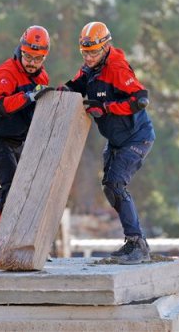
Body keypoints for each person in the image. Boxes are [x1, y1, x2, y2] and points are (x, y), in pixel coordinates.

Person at [61, 21, 155, 264]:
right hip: (116, 140)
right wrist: (54, 92)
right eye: (85, 52)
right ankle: (133, 241)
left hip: (137, 137)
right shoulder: (89, 69)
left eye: (94, 52)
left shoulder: (117, 68)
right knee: (108, 187)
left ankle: (137, 244)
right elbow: (74, 86)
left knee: (115, 184)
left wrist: (106, 108)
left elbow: (140, 99)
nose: (89, 57)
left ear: (106, 47)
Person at [0, 25, 54, 246]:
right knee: (12, 185)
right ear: (20, 49)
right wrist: (29, 96)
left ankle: (21, 240)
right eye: (28, 56)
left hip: (17, 140)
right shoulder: (5, 73)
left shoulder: (41, 77)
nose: (31, 62)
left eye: (38, 58)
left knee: (28, 188)